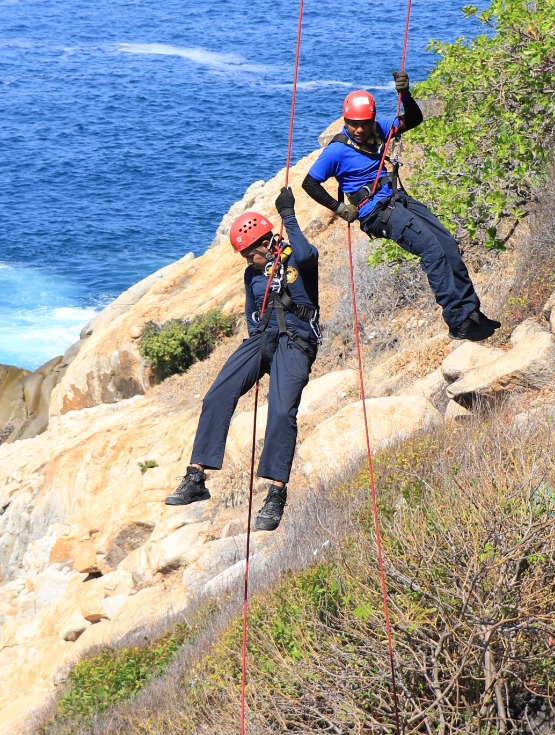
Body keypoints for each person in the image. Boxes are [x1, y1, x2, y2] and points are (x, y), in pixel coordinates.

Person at [302, 71, 500, 342]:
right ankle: (457, 322)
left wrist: (405, 94)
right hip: (376, 211)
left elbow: (414, 119)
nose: (359, 129)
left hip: (397, 199)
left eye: (364, 123)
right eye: (352, 124)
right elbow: (309, 183)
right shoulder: (336, 151)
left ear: (371, 120)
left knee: (447, 244)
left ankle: (472, 312)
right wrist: (339, 208)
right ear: (345, 121)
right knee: (431, 251)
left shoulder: (379, 129)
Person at [164, 187, 319, 532]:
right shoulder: (252, 274)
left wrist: (289, 215)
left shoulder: (296, 259)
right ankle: (196, 476)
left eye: (250, 254)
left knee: (280, 411)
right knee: (217, 395)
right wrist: (253, 356)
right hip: (263, 337)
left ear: (266, 244)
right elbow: (252, 313)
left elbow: (309, 256)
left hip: (296, 340)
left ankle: (275, 494)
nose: (247, 261)